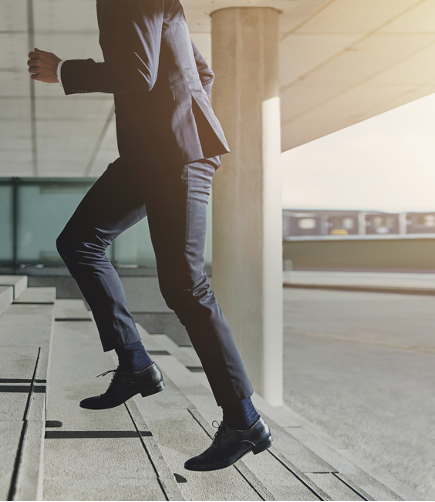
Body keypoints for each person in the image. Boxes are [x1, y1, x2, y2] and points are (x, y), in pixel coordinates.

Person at [27, 0, 272, 472]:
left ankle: (243, 420)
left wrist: (64, 71)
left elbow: (138, 73)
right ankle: (135, 362)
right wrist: (180, 114)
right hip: (152, 154)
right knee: (79, 240)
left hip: (177, 155)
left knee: (184, 284)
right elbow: (201, 70)